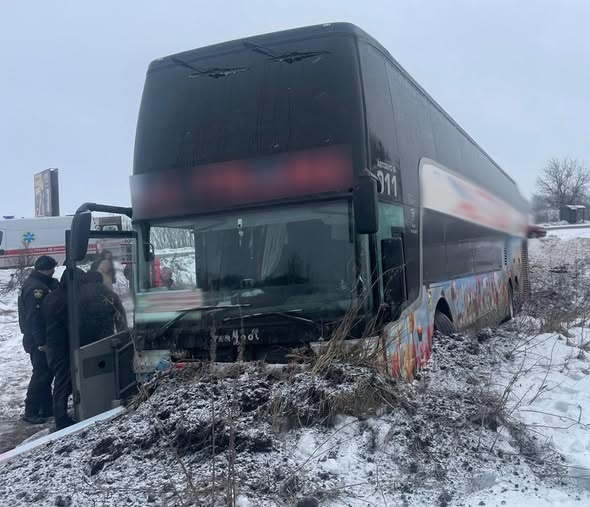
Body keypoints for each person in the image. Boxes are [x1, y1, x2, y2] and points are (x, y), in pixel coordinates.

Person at [18, 255, 58, 424]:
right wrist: (41, 342)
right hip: (38, 340)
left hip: (36, 337)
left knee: (46, 373)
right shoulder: (36, 288)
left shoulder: (36, 283)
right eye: (52, 268)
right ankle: (31, 411)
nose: (54, 271)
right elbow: (34, 317)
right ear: (47, 269)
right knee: (41, 374)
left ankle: (46, 408)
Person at [43, 270, 77, 430]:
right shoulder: (64, 299)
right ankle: (61, 419)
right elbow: (70, 324)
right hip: (61, 346)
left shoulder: (53, 296)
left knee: (61, 381)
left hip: (54, 345)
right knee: (62, 382)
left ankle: (60, 415)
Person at [79, 270, 128, 346]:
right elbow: (121, 320)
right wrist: (123, 340)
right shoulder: (109, 294)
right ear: (101, 280)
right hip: (105, 340)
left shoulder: (78, 295)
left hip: (83, 341)